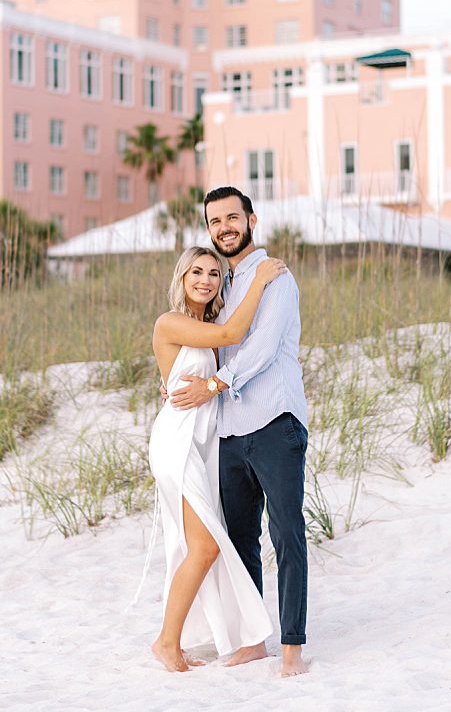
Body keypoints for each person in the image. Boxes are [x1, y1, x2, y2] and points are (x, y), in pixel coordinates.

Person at [169, 186, 310, 678]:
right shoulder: (222, 286)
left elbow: (262, 348)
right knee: (240, 537)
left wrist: (213, 383)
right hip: (229, 430)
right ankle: (252, 640)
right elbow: (209, 341)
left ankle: (291, 644)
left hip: (274, 421)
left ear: (252, 219)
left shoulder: (277, 279)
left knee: (287, 531)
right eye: (215, 222)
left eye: (233, 217)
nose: (225, 227)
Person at [148, 245, 288, 672]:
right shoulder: (171, 322)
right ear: (182, 277)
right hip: (178, 442)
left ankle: (181, 636)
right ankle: (166, 642)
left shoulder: (203, 326)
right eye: (197, 272)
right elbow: (233, 336)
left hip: (203, 442)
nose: (206, 280)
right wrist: (262, 280)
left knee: (196, 543)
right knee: (205, 545)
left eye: (213, 273)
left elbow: (190, 372)